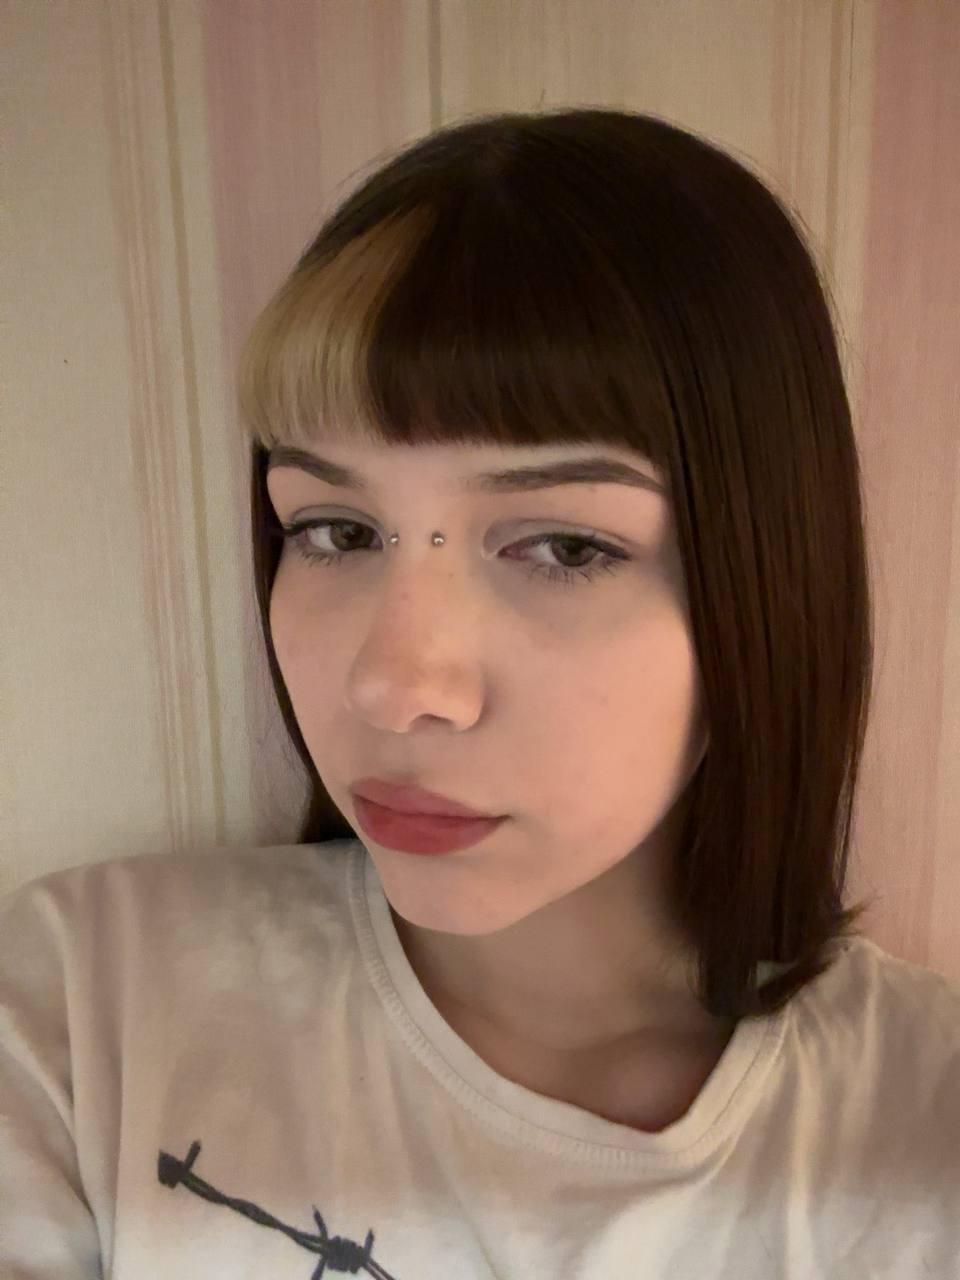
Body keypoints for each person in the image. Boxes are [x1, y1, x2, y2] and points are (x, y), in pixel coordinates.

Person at [2, 107, 958, 1279]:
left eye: (564, 546)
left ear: (763, 582)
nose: (395, 684)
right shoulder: (82, 1012)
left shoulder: (924, 1130)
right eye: (337, 529)